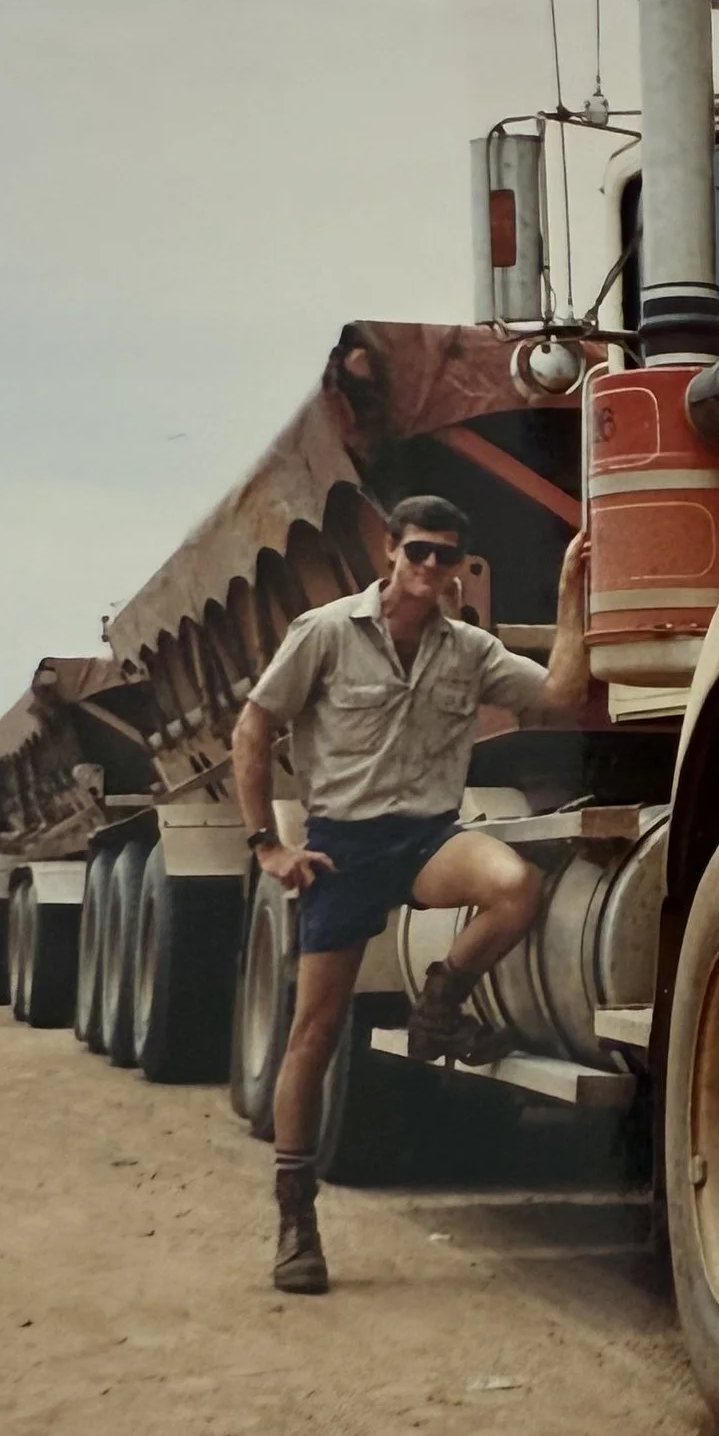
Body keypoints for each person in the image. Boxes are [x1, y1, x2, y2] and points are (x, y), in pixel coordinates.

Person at [231, 495, 594, 1295]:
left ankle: (441, 1003)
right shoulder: (325, 632)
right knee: (313, 1035)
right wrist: (268, 844)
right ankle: (296, 1218)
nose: (433, 569)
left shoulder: (468, 650)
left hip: (428, 836)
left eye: (449, 557)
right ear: (390, 552)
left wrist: (573, 586)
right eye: (420, 551)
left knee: (513, 885)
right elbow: (252, 728)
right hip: (343, 847)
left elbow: (564, 687)